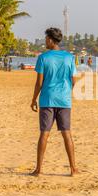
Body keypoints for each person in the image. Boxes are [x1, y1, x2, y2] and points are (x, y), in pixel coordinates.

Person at [30, 27, 79, 177]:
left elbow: (39, 82)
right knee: (66, 133)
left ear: (51, 40)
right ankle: (73, 169)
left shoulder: (43, 58)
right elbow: (74, 80)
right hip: (64, 100)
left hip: (47, 99)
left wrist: (33, 99)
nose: (45, 41)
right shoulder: (69, 58)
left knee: (44, 134)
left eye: (46, 39)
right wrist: (65, 91)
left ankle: (38, 170)